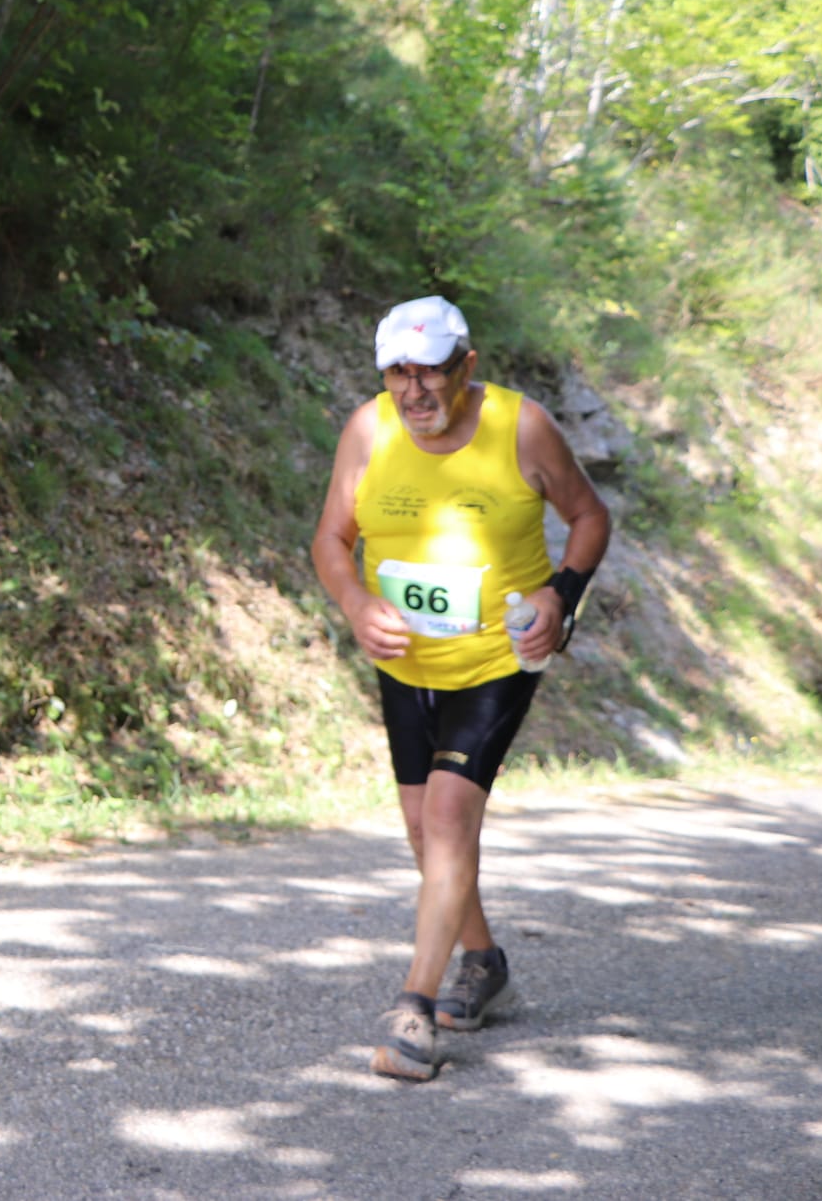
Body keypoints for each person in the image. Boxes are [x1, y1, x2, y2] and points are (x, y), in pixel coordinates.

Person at [309, 295, 610, 1082]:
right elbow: (332, 538)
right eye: (398, 372)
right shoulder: (368, 431)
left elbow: (588, 517)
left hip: (495, 658)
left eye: (431, 371)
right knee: (421, 828)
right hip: (405, 660)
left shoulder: (523, 428)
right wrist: (355, 602)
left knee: (447, 813)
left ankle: (414, 1007)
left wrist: (559, 594)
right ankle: (484, 960)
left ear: (466, 368)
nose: (414, 391)